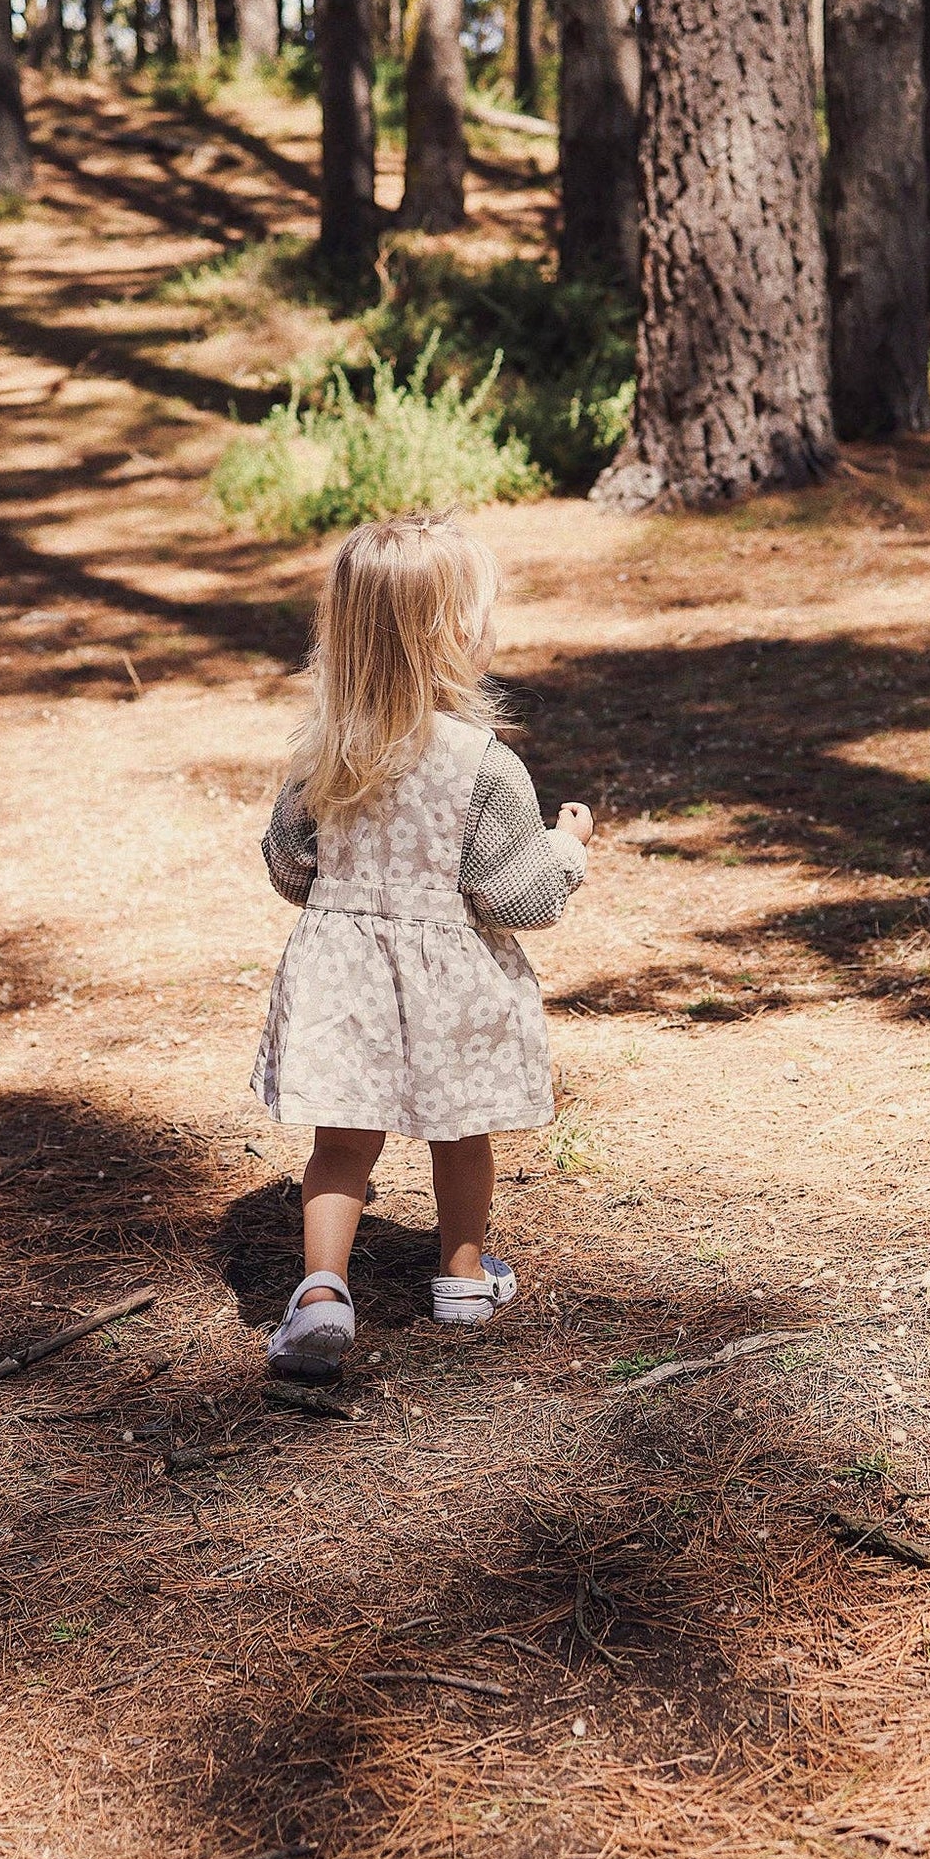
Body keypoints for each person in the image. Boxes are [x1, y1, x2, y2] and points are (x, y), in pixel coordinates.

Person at [251, 511, 594, 1379]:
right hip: (452, 984)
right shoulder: (482, 763)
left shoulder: (324, 752)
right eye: (482, 616)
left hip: (345, 984)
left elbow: (291, 867)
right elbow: (513, 894)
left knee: (340, 1146)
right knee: (462, 1134)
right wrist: (567, 848)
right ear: (448, 637)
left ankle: (323, 1290)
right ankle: (463, 1277)